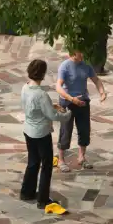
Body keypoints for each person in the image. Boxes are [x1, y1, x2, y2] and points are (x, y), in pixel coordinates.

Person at [20, 59, 72, 209]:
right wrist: (67, 115)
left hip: (28, 130)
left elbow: (30, 106)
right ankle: (43, 199)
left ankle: (27, 192)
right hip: (41, 133)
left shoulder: (25, 87)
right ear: (42, 74)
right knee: (46, 165)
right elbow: (53, 116)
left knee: (32, 162)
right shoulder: (42, 95)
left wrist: (51, 106)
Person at [55, 50, 107, 171]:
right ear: (73, 53)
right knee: (65, 130)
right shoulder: (65, 66)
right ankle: (61, 160)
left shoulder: (86, 65)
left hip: (83, 101)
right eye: (80, 53)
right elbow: (58, 86)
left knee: (84, 129)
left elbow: (96, 80)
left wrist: (102, 92)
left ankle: (81, 157)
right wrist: (71, 99)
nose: (82, 55)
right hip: (67, 102)